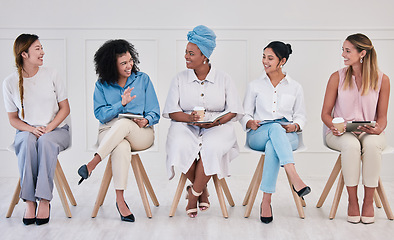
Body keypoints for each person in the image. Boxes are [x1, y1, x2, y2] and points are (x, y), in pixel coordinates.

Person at [163, 25, 243, 218]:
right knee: (180, 145)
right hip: (185, 125)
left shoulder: (224, 78)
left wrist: (215, 122)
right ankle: (203, 190)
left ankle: (193, 194)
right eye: (185, 52)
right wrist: (189, 118)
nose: (186, 57)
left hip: (218, 127)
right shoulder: (179, 79)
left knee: (212, 148)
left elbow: (233, 111)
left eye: (191, 53)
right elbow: (172, 112)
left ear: (204, 56)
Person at [77, 39, 160, 222]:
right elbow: (100, 115)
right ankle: (120, 200)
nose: (129, 65)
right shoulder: (101, 85)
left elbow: (155, 111)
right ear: (111, 65)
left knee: (123, 124)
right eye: (123, 63)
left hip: (140, 132)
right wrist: (120, 104)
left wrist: (146, 120)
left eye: (130, 60)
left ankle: (92, 164)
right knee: (121, 146)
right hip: (108, 131)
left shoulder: (143, 79)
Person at [2, 34, 71, 225]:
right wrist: (31, 130)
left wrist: (48, 128)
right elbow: (13, 119)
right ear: (24, 54)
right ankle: (30, 201)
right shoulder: (9, 83)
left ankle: (45, 200)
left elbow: (65, 109)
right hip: (26, 130)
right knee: (25, 142)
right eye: (38, 49)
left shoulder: (52, 74)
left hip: (57, 130)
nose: (43, 52)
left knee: (46, 142)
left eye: (42, 47)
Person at [321, 33, 390, 224]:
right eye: (343, 50)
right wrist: (335, 126)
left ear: (362, 53)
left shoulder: (382, 79)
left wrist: (378, 128)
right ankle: (353, 201)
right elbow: (325, 114)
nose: (343, 54)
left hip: (370, 132)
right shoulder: (337, 77)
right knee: (351, 146)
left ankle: (368, 202)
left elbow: (382, 117)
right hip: (340, 134)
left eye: (347, 50)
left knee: (373, 145)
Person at [240, 41, 311, 224]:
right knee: (273, 128)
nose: (265, 61)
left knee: (274, 143)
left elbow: (301, 116)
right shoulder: (254, 85)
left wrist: (295, 126)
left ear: (282, 61)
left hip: (287, 133)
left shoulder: (295, 87)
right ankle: (294, 175)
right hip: (259, 132)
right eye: (263, 56)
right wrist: (249, 121)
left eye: (270, 58)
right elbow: (244, 114)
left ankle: (266, 201)